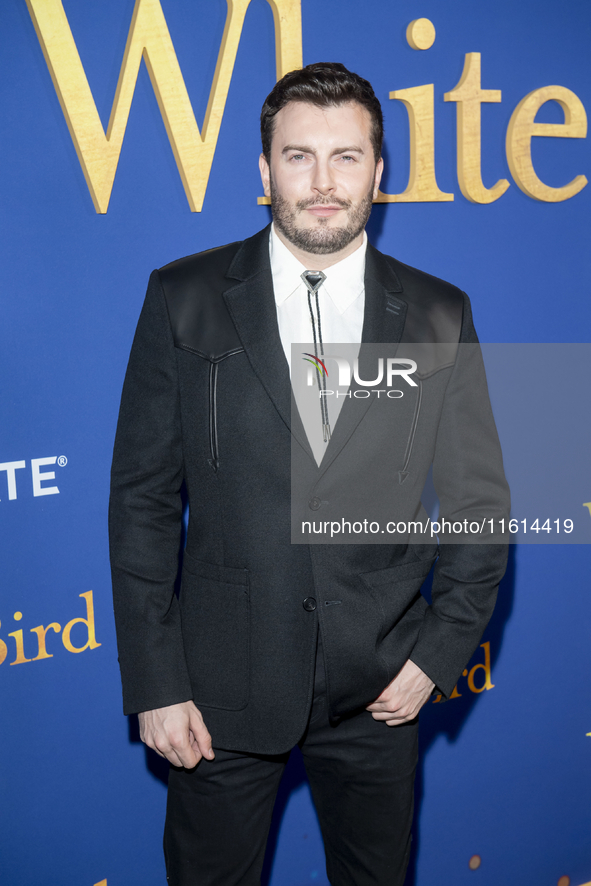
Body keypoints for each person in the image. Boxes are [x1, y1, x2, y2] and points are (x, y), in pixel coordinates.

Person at [109, 62, 509, 886]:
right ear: (264, 171)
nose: (323, 183)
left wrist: (439, 651)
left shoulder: (441, 313)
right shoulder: (182, 296)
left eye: (346, 157)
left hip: (378, 687)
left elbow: (482, 504)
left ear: (378, 172)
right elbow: (142, 499)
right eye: (298, 157)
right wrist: (155, 681)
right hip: (217, 689)